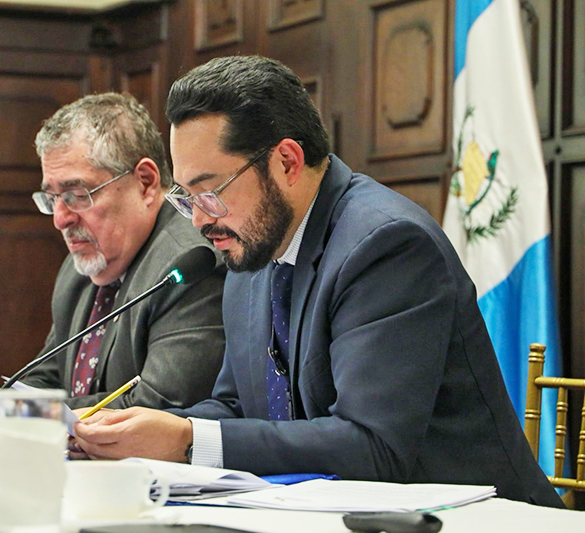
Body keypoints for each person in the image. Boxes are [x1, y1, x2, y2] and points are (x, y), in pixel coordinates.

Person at [70, 57, 563, 507]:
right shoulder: (252, 245)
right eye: (187, 197)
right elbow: (235, 403)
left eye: (210, 192)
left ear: (286, 161)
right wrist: (141, 431)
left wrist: (187, 440)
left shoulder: (386, 246)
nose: (198, 221)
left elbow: (375, 446)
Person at [0, 93, 226, 410]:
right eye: (52, 199)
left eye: (77, 194)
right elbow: (48, 379)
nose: (60, 219)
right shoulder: (82, 269)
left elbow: (160, 406)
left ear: (145, 182)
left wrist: (19, 411)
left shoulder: (188, 266)